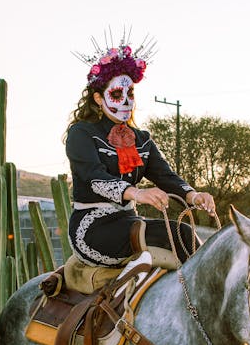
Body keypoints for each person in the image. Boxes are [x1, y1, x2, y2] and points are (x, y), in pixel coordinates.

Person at [65, 39, 216, 268]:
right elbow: (93, 177)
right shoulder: (81, 133)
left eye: (130, 93)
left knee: (183, 233)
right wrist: (136, 193)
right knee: (179, 234)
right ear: (98, 98)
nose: (126, 101)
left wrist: (193, 196)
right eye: (116, 94)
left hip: (130, 219)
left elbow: (165, 176)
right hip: (93, 227)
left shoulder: (142, 139)